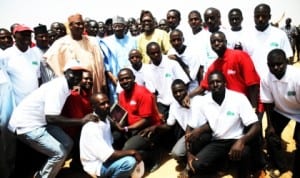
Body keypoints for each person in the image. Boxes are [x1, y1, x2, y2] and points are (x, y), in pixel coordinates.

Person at [8, 59, 94, 178]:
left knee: (68, 143)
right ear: (66, 73)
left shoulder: (67, 87)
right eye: (73, 73)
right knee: (59, 153)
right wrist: (81, 121)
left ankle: (47, 173)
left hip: (40, 122)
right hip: (27, 126)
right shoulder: (58, 86)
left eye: (80, 74)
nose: (77, 77)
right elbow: (51, 118)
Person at [185, 71, 261, 178]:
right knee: (197, 165)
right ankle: (222, 164)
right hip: (217, 141)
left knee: (244, 154)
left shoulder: (238, 98)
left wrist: (241, 141)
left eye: (218, 81)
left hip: (236, 139)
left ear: (225, 83)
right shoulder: (203, 101)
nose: (215, 84)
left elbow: (256, 125)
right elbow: (190, 128)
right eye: (211, 82)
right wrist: (188, 153)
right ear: (208, 86)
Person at [139, 79, 209, 171]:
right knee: (176, 153)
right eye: (175, 92)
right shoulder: (174, 106)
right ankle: (190, 162)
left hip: (204, 132)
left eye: (181, 90)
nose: (178, 94)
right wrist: (155, 127)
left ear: (186, 89)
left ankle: (193, 166)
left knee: (198, 149)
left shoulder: (198, 100)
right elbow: (169, 125)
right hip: (188, 136)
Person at [80, 92, 142, 178]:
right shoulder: (92, 127)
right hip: (96, 166)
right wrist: (133, 152)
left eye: (107, 102)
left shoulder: (105, 119)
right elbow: (108, 156)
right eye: (102, 104)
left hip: (103, 159)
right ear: (94, 107)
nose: (107, 106)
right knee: (129, 162)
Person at [260, 49, 300, 177]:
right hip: (282, 110)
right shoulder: (266, 78)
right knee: (271, 136)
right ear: (268, 65)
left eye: (279, 64)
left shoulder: (297, 77)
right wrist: (271, 125)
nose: (276, 67)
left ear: (286, 62)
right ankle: (280, 166)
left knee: (299, 139)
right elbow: (267, 102)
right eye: (272, 65)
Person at [113, 68, 162, 172]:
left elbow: (147, 120)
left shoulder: (143, 93)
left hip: (148, 128)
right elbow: (123, 114)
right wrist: (118, 123)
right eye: (121, 80)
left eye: (127, 78)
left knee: (127, 149)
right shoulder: (121, 95)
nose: (124, 81)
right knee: (114, 138)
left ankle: (153, 157)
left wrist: (126, 128)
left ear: (134, 78)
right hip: (132, 128)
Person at [44, 13, 106, 93]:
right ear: (70, 26)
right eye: (78, 24)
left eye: (82, 24)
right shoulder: (60, 43)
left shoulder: (92, 41)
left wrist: (103, 83)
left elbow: (100, 64)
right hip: (74, 87)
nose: (81, 26)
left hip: (92, 84)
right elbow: (49, 60)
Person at [147, 42, 190, 120]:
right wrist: (157, 112)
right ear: (148, 54)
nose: (156, 55)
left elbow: (185, 82)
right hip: (162, 103)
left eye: (158, 52)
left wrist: (184, 98)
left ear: (161, 51)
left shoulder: (172, 64)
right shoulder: (148, 70)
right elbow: (153, 93)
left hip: (177, 100)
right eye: (153, 53)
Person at [99, 15, 137, 103]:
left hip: (131, 76)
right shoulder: (106, 42)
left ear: (125, 27)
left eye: (120, 25)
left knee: (132, 99)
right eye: (115, 26)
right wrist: (111, 77)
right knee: (117, 102)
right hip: (114, 77)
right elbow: (105, 62)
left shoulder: (132, 40)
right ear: (112, 27)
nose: (118, 28)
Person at [61, 70, 93, 170]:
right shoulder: (75, 93)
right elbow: (78, 118)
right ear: (79, 80)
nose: (88, 81)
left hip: (81, 126)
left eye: (90, 79)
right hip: (73, 130)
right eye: (85, 79)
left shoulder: (87, 92)